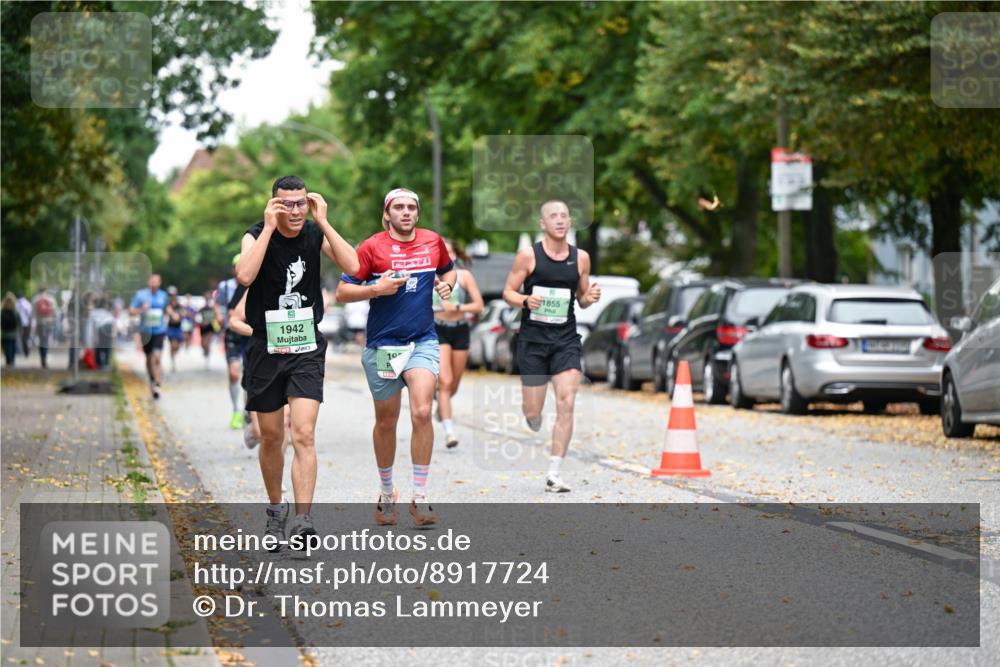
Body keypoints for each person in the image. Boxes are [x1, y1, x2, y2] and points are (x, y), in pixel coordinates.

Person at [235, 175, 359, 548]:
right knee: (272, 437)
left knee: (303, 433)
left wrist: (323, 221)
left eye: (300, 203)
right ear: (273, 204)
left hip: (305, 347)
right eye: (286, 204)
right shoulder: (256, 233)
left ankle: (303, 521)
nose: (294, 210)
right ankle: (276, 510)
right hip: (266, 348)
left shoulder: (313, 232)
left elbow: (354, 263)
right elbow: (244, 274)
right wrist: (269, 229)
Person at [336, 188, 456, 527]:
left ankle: (420, 496)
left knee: (421, 410)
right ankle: (387, 492)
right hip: (383, 345)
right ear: (387, 214)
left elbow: (448, 271)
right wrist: (375, 289)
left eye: (411, 207)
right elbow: (343, 291)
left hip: (422, 340)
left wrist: (448, 285)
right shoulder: (371, 247)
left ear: (418, 213)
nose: (406, 212)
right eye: (398, 207)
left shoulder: (433, 241)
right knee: (387, 421)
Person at [502, 200, 601, 493]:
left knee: (567, 401)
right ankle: (532, 415)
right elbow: (508, 291)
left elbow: (582, 298)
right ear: (543, 224)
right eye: (553, 216)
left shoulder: (581, 258)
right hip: (532, 341)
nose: (560, 220)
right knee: (533, 411)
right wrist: (524, 300)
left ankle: (554, 472)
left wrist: (589, 297)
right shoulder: (528, 256)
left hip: (565, 340)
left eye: (564, 216)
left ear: (570, 222)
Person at [433, 239, 484, 448]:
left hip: (460, 330)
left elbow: (479, 305)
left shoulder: (464, 276)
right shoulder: (430, 276)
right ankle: (449, 431)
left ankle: (442, 408)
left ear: (455, 254)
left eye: (449, 252)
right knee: (444, 381)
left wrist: (459, 307)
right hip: (437, 329)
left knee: (453, 385)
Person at [216, 255, 246, 429]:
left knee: (250, 376)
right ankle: (236, 410)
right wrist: (219, 315)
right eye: (238, 266)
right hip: (232, 334)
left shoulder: (254, 284)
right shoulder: (225, 286)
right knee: (234, 374)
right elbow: (217, 303)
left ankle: (249, 411)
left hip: (250, 334)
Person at [129, 274, 169, 399]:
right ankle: (152, 379)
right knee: (148, 358)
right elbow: (131, 311)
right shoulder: (141, 295)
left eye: (156, 281)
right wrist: (142, 309)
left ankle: (157, 383)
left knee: (157, 357)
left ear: (160, 283)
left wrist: (173, 314)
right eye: (151, 281)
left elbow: (166, 309)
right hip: (145, 331)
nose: (153, 283)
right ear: (148, 282)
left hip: (159, 331)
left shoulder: (163, 295)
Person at [32, 287, 56, 369]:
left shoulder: (35, 299)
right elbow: (54, 311)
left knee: (41, 340)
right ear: (46, 290)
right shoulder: (50, 299)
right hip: (48, 322)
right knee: (46, 341)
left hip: (39, 323)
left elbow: (33, 313)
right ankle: (45, 358)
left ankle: (42, 357)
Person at [165, 287, 185, 373]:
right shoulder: (167, 305)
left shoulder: (179, 305)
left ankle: (173, 355)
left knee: (178, 345)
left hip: (178, 328)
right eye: (170, 295)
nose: (172, 296)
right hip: (171, 327)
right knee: (173, 345)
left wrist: (180, 316)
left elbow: (183, 314)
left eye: (173, 295)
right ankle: (173, 362)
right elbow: (166, 313)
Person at [197, 291, 217, 367]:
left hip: (210, 327)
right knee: (203, 343)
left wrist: (211, 321)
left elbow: (216, 315)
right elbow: (198, 315)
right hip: (203, 327)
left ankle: (207, 356)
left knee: (207, 342)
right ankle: (205, 351)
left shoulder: (213, 305)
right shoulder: (201, 305)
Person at [1, 293, 20, 367]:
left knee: (7, 347)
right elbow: (19, 322)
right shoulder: (15, 311)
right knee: (11, 347)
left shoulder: (2, 311)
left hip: (6, 333)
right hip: (12, 333)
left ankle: (9, 360)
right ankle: (11, 361)